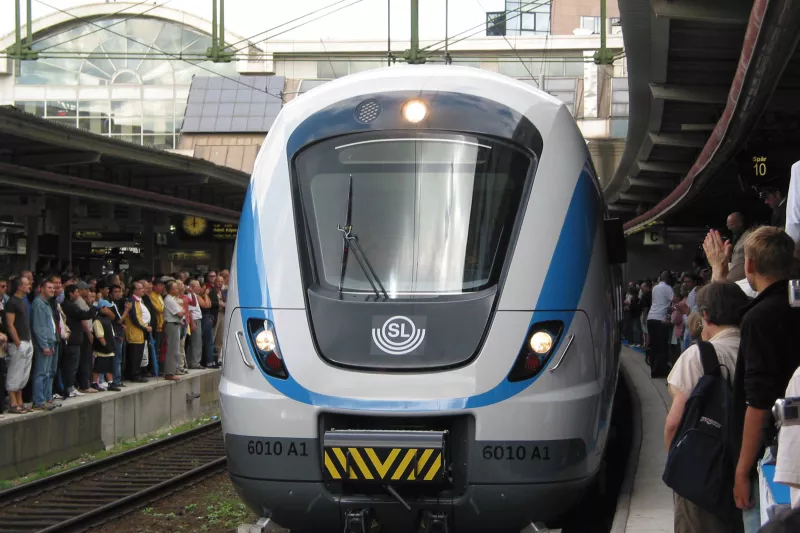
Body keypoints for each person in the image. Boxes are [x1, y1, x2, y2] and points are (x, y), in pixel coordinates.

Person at [665, 282, 751, 532]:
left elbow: (673, 424)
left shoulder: (698, 356)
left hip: (704, 476)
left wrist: (677, 469)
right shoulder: (756, 348)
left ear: (705, 315)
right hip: (749, 469)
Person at [730, 226, 800, 533]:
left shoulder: (758, 318)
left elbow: (757, 400)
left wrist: (742, 471)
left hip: (775, 450)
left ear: (749, 266)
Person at [5, 276, 33, 414]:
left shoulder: (23, 301)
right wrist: (17, 342)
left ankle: (20, 400)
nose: (30, 286)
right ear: (20, 287)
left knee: (24, 373)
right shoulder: (12, 302)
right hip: (18, 342)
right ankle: (13, 402)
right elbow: (10, 325)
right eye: (27, 284)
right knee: (15, 372)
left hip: (27, 340)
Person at [30, 278, 59, 411]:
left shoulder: (46, 304)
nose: (53, 290)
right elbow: (38, 327)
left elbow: (49, 326)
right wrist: (44, 345)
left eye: (53, 288)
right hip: (43, 345)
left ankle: (47, 398)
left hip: (50, 342)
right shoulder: (38, 304)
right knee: (41, 372)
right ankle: (38, 400)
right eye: (49, 288)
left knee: (48, 373)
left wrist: (51, 342)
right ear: (41, 289)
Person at [647, 271, 674, 378]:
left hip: (651, 318)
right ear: (668, 278)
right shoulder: (668, 288)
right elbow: (674, 300)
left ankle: (653, 370)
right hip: (660, 319)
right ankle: (661, 370)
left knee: (654, 346)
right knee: (662, 346)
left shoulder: (655, 288)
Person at [91, 301, 121, 392]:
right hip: (102, 349)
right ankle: (94, 383)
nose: (108, 310)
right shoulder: (97, 320)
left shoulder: (107, 318)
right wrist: (105, 345)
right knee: (98, 367)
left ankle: (110, 383)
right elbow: (100, 335)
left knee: (109, 367)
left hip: (109, 347)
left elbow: (114, 317)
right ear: (102, 308)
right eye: (107, 308)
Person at [124, 281, 150, 383]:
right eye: (140, 289)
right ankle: (135, 375)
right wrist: (145, 327)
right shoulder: (132, 301)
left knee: (139, 353)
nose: (142, 290)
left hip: (140, 332)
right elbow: (135, 318)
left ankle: (137, 373)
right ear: (134, 290)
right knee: (135, 354)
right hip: (135, 332)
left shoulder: (139, 300)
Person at [162, 280, 184, 381]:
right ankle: (169, 373)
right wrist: (183, 310)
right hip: (172, 324)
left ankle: (172, 370)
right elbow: (180, 313)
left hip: (176, 324)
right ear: (170, 290)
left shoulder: (173, 299)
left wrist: (182, 311)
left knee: (176, 349)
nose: (178, 289)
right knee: (172, 349)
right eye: (175, 288)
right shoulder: (169, 299)